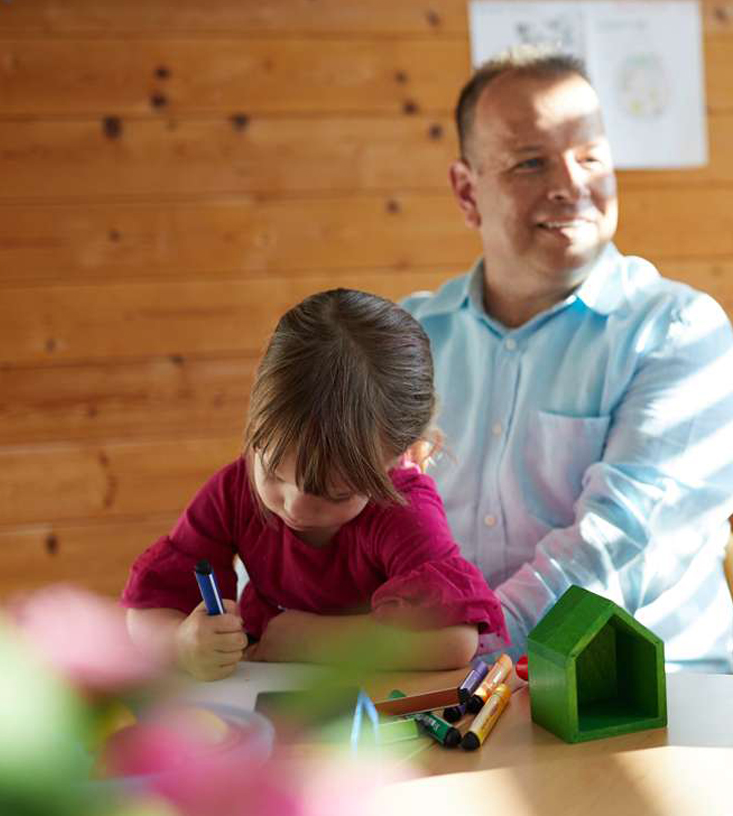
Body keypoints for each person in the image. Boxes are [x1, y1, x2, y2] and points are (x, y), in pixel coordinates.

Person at [401, 49, 733, 672]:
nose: (571, 185)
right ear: (467, 192)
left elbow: (617, 548)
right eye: (531, 162)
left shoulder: (678, 332)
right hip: (439, 690)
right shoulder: (405, 341)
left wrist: (466, 644)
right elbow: (331, 507)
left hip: (638, 701)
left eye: (591, 156)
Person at [122, 289, 505, 680]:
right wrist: (182, 644)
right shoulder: (234, 490)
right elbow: (146, 612)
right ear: (257, 428)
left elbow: (455, 640)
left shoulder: (401, 509)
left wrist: (308, 639)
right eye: (272, 471)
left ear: (403, 456)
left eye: (334, 494)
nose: (295, 506)